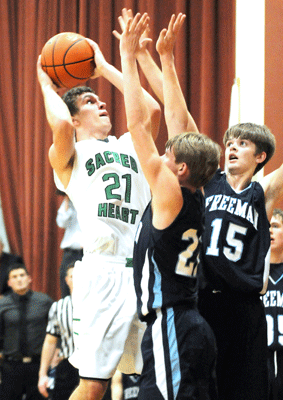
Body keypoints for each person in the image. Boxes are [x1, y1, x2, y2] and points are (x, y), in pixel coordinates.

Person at [37, 20, 161, 400]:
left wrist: (104, 67)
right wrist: (44, 78)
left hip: (143, 272)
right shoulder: (70, 157)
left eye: (101, 99)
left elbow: (152, 108)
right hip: (102, 274)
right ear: (75, 119)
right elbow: (58, 123)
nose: (102, 102)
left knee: (157, 378)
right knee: (93, 386)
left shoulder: (129, 144)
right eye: (91, 101)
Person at [120, 12, 220, 399]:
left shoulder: (169, 193)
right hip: (191, 323)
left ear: (179, 168)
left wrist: (128, 58)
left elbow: (138, 127)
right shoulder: (197, 190)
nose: (159, 155)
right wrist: (165, 59)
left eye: (167, 154)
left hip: (172, 325)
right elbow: (184, 126)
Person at [196, 120, 283, 399]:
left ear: (260, 156)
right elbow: (182, 124)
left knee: (245, 392)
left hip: (244, 307)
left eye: (242, 143)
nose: (232, 147)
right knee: (202, 388)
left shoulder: (262, 194)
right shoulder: (208, 182)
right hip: (203, 301)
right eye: (230, 143)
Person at [0, 262, 53, 399]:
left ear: (29, 278)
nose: (19, 279)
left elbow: (55, 330)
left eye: (22, 275)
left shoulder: (44, 301)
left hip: (38, 365)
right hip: (10, 366)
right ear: (9, 282)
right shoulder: (2, 304)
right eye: (15, 276)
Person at [38, 262, 79, 399]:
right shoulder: (59, 306)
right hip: (68, 366)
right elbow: (50, 341)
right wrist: (43, 374)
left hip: (95, 364)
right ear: (67, 280)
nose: (77, 279)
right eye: (73, 276)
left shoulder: (100, 303)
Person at [262, 209, 283, 399]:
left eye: (275, 226)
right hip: (259, 365)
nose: (269, 230)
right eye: (266, 227)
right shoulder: (253, 274)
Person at [56, 190, 83, 297]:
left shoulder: (92, 201)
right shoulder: (69, 204)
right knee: (66, 284)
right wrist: (67, 198)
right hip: (70, 253)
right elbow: (61, 222)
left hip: (87, 252)